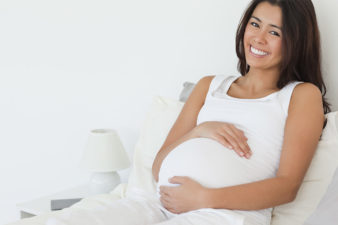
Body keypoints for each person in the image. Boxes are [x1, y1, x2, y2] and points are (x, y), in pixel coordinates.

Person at [46, 0, 331, 225]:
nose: (258, 38)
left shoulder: (301, 95)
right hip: (157, 203)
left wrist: (206, 197)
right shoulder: (209, 85)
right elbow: (158, 168)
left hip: (226, 214)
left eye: (274, 32)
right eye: (254, 24)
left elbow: (286, 187)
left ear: (295, 41)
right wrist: (199, 131)